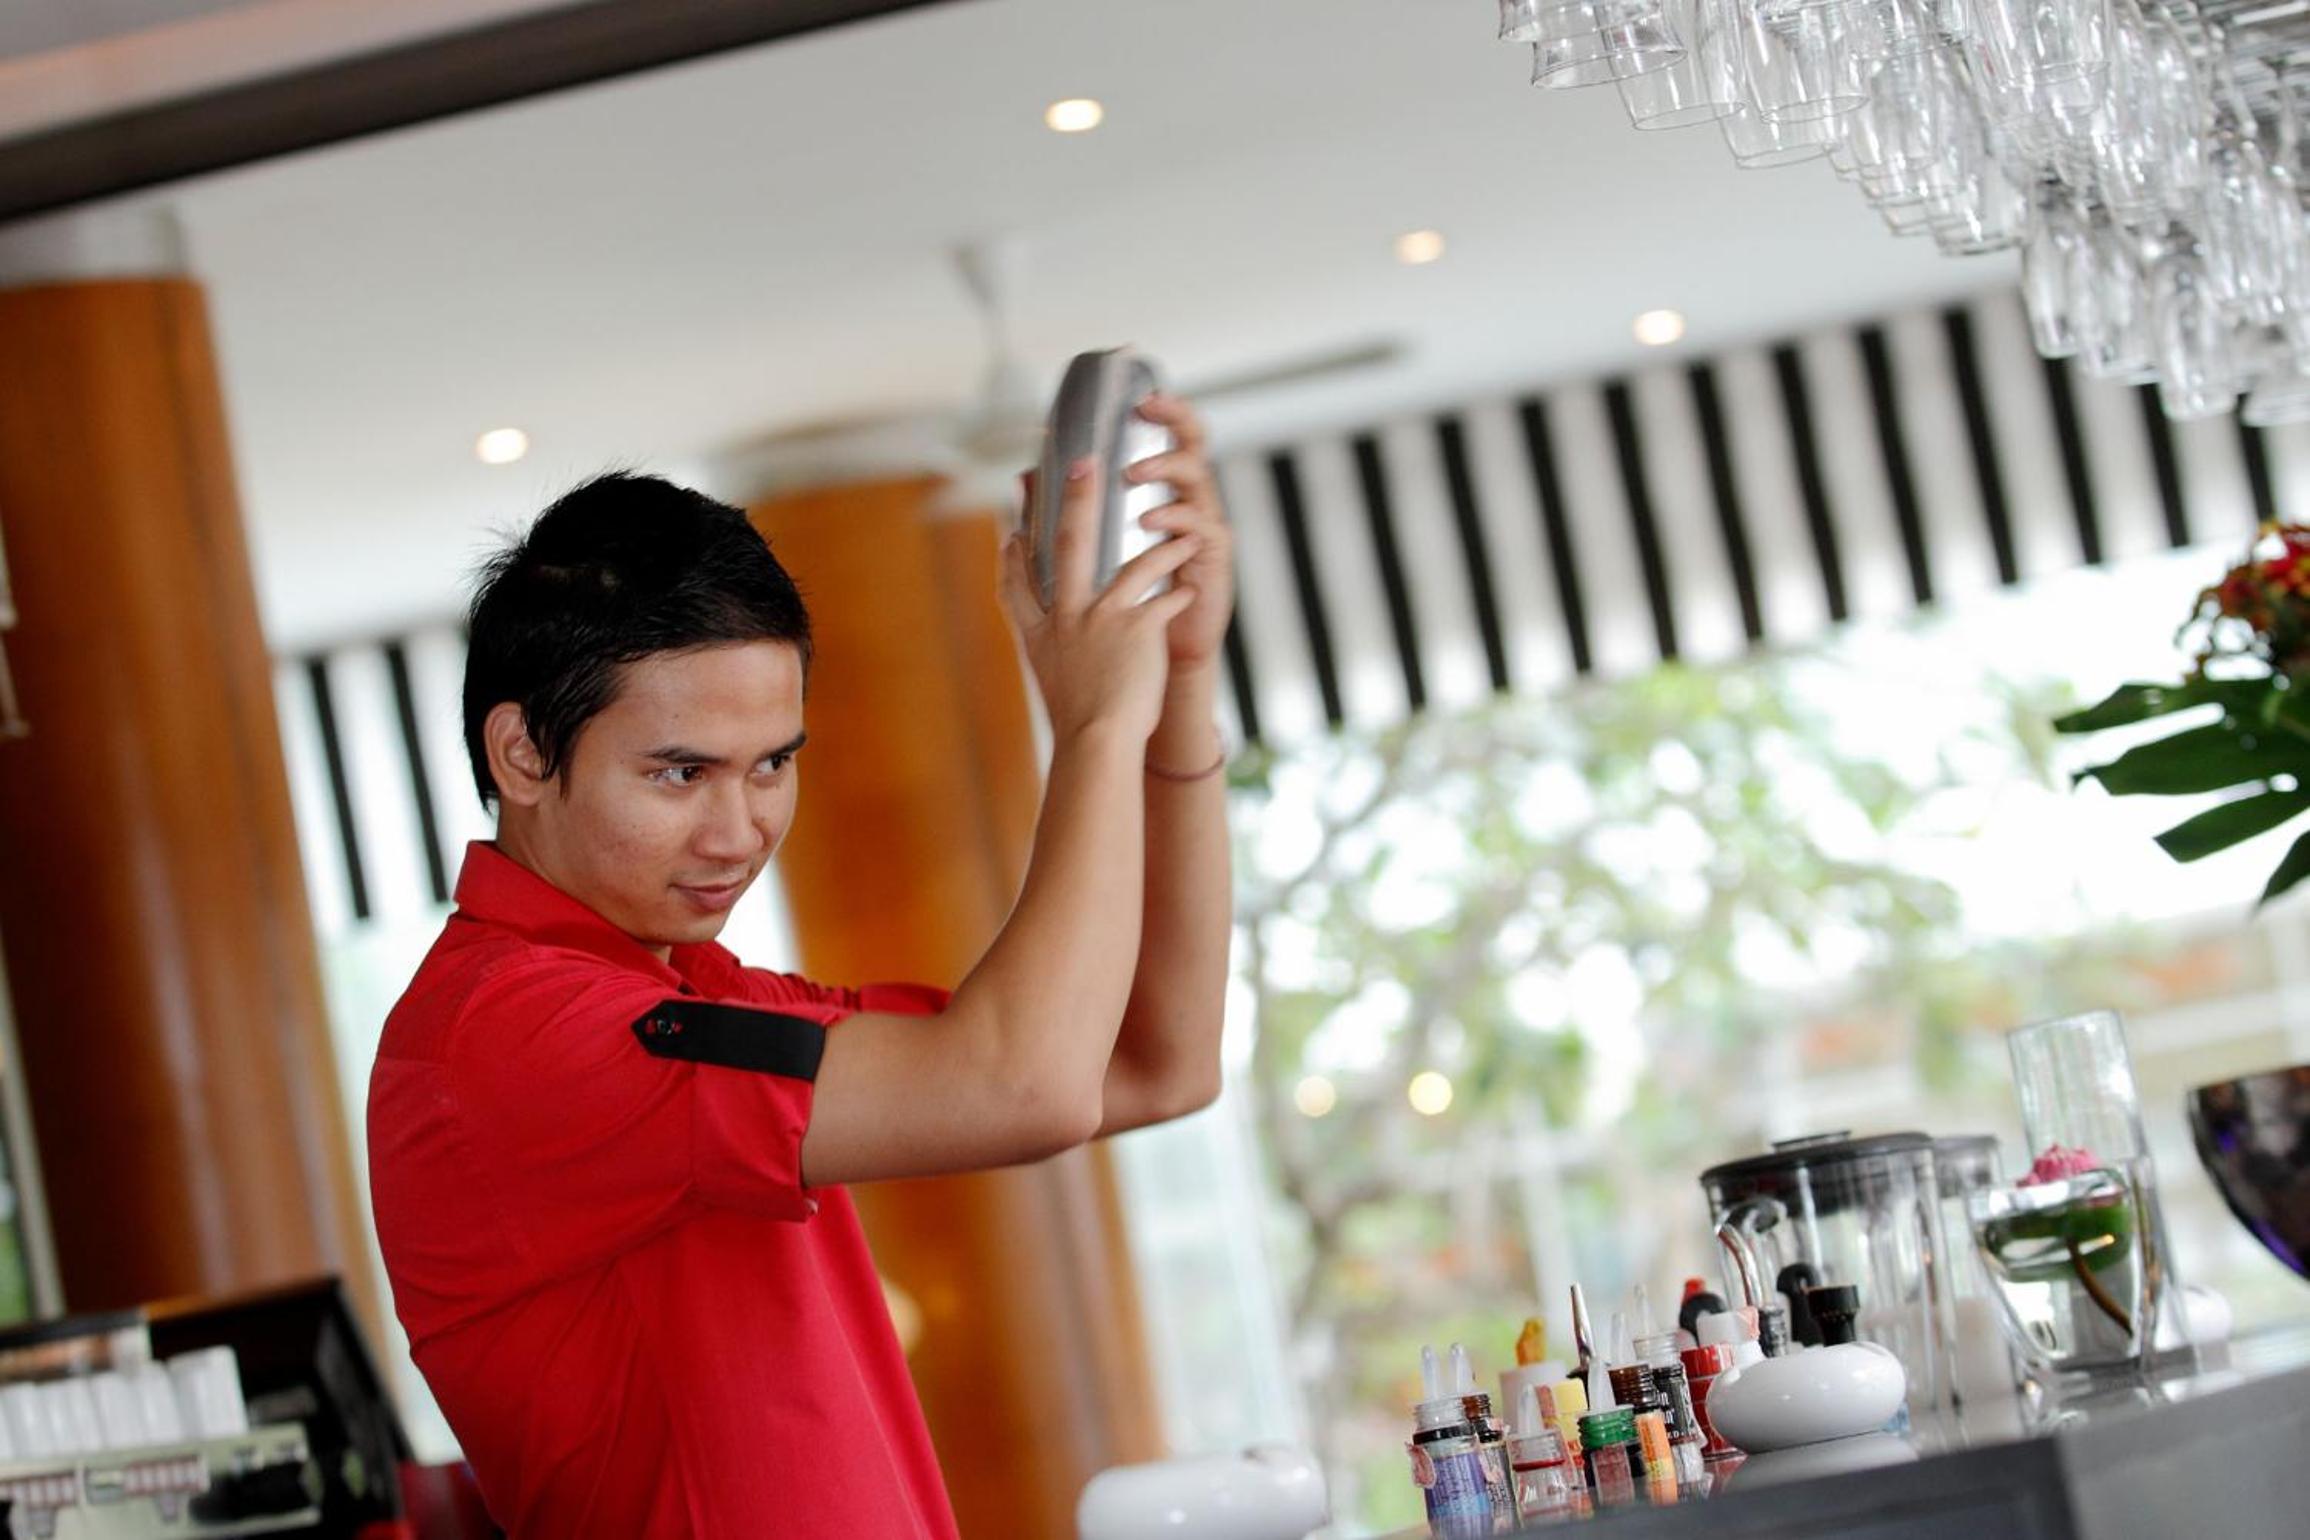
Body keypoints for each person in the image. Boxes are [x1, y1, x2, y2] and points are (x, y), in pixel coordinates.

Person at [365, 394, 1235, 1538]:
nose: (740, 833)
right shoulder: (510, 1033)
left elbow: (1153, 1062)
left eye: (772, 763)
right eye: (681, 773)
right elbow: (1023, 1084)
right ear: (523, 754)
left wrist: (1175, 685)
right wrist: (1092, 728)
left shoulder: (702, 993)